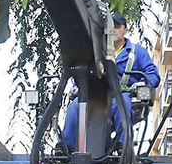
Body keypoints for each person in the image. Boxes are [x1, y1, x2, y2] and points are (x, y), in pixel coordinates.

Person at [62, 12, 161, 149]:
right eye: (110, 26)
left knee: (122, 103)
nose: (113, 29)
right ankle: (66, 147)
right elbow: (83, 73)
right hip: (97, 97)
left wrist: (143, 84)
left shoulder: (137, 52)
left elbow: (153, 74)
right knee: (75, 106)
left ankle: (123, 144)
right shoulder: (96, 53)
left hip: (124, 96)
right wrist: (77, 86)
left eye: (117, 26)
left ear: (125, 30)